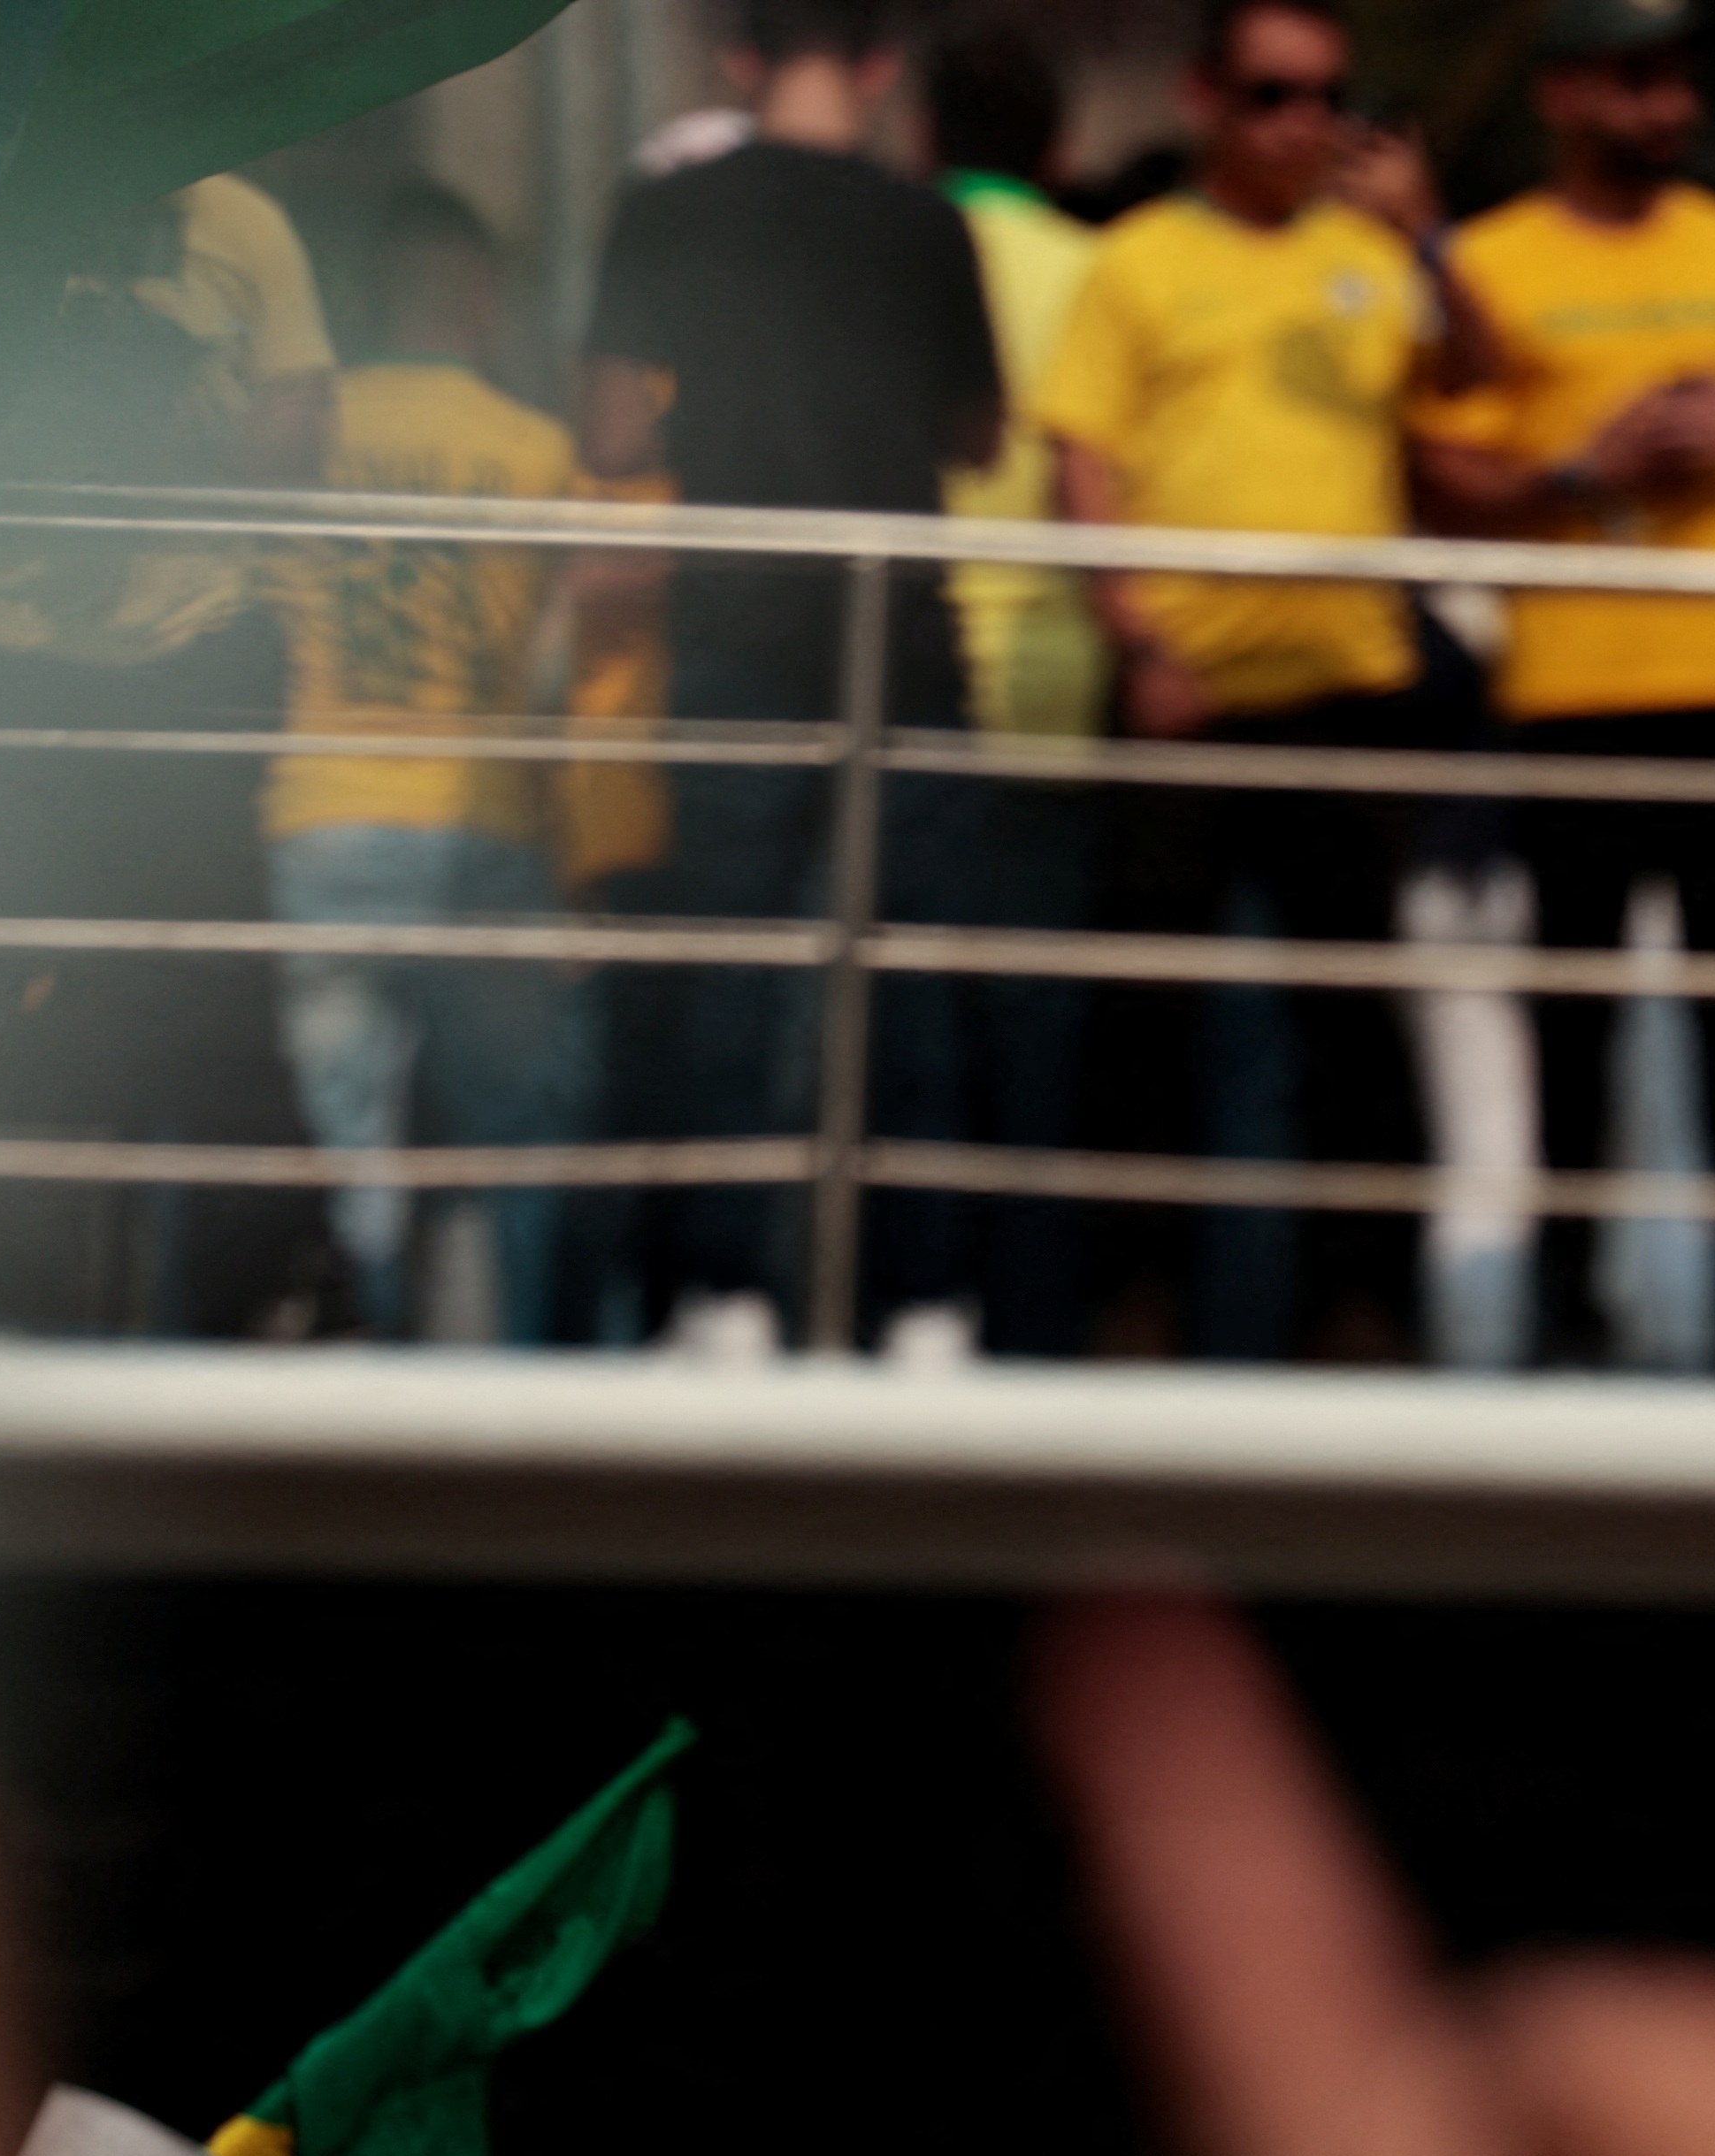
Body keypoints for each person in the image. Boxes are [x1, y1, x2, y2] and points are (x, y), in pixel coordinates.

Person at [1408, 0, 1715, 1375]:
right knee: (1575, 1034)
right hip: (1568, 692)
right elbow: (1442, 478)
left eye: (1678, 82)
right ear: (1563, 93)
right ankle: (1556, 1315)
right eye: (1636, 80)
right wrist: (1591, 465)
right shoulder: (1484, 261)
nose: (1667, 106)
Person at [1036, 0, 1459, 1361]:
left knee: (1357, 1025)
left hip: (1347, 683)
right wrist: (1140, 642)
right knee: (1145, 1021)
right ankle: (1133, 1303)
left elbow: (1489, 385)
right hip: (1184, 686)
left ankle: (1366, 1308)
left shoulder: (1378, 255)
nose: (1304, 125)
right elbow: (1079, 466)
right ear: (1206, 96)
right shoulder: (1139, 258)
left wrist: (1428, 230)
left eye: (1328, 97)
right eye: (1275, 94)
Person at [578, 0, 1004, 1349]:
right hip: (905, 641)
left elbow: (608, 430)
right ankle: (923, 1304)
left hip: (738, 625)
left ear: (737, 62)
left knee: (730, 974)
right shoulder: (928, 226)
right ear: (882, 66)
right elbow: (980, 434)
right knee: (910, 981)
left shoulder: (670, 209)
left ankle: (724, 1297)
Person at [0, 173, 342, 1336]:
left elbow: (299, 427)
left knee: (203, 1006)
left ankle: (235, 1304)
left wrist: (187, 410)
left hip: (172, 666)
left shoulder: (229, 217)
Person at [258, 185, 601, 1349]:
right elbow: (556, 672)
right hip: (480, 827)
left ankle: (362, 1366)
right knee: (517, 1132)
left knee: (348, 1148)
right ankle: (524, 1383)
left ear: (367, 295)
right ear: (481, 296)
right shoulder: (538, 450)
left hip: (321, 815)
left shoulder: (308, 431)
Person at [930, 19, 1107, 1360]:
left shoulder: (879, 249)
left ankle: (911, 1319)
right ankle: (1034, 1335)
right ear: (1059, 149)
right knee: (1040, 1046)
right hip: (1055, 687)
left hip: (909, 681)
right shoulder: (1099, 270)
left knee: (912, 1028)